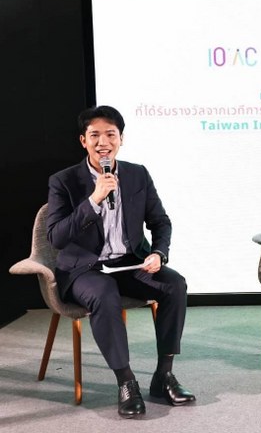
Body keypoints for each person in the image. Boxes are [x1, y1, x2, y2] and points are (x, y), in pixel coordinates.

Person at [47, 105, 195, 417]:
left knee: (174, 285)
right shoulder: (64, 181)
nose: (103, 142)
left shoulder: (137, 174)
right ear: (83, 141)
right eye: (95, 135)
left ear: (121, 139)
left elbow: (161, 222)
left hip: (129, 264)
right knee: (104, 293)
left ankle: (164, 375)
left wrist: (158, 253)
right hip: (84, 269)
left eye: (110, 134)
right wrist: (94, 200)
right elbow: (56, 238)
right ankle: (126, 381)